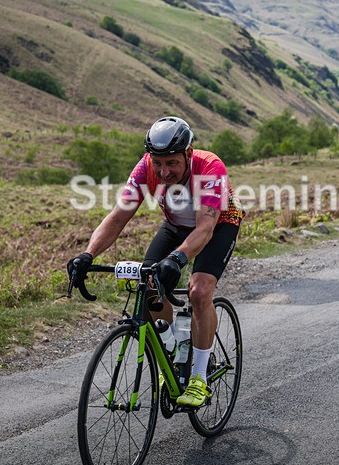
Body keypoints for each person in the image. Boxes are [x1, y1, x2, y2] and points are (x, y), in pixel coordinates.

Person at [67, 116, 244, 407]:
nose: (164, 172)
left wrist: (176, 258)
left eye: (172, 163)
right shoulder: (144, 169)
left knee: (199, 291)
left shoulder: (209, 167)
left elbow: (204, 229)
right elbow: (117, 217)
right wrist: (88, 255)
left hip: (218, 223)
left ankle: (199, 378)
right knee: (149, 282)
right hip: (176, 225)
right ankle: (172, 351)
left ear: (188, 154)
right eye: (158, 163)